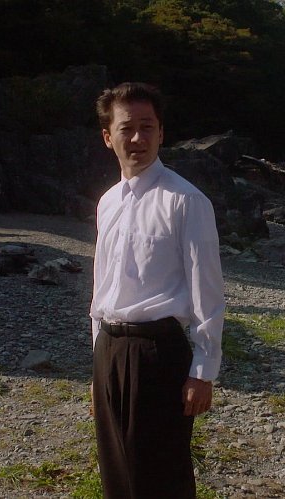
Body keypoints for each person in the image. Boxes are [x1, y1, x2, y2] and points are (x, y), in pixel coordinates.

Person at [90, 82, 225, 499]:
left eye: (147, 127)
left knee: (162, 476)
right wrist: (97, 365)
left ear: (161, 133)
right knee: (117, 472)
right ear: (108, 137)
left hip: (158, 352)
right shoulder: (108, 202)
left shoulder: (186, 201)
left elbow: (207, 289)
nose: (138, 138)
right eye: (127, 128)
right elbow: (101, 287)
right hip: (110, 350)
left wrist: (203, 371)